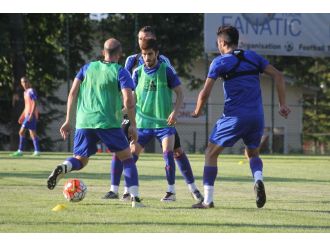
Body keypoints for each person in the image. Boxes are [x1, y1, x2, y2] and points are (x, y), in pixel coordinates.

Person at [191, 25, 291, 209]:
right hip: (256, 117)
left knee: (210, 154)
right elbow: (278, 75)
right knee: (252, 153)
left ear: (222, 42)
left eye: (218, 43)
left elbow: (205, 93)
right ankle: (258, 179)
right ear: (237, 41)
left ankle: (207, 200)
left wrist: (197, 110)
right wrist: (282, 104)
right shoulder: (253, 57)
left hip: (234, 117)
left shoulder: (219, 62)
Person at [103, 26, 203, 202]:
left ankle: (191, 189)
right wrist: (121, 110)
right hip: (137, 116)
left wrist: (174, 111)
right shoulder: (132, 63)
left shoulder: (164, 63)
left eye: (147, 38)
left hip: (163, 117)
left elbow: (173, 87)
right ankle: (119, 189)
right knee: (123, 151)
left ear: (155, 46)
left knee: (176, 152)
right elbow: (125, 89)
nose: (144, 41)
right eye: (141, 38)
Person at [46, 38, 144, 208]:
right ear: (120, 54)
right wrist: (133, 124)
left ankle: (64, 166)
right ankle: (135, 198)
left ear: (102, 52)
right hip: (108, 123)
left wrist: (68, 120)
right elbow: (129, 100)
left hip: (84, 122)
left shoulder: (87, 67)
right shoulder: (120, 71)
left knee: (80, 160)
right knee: (127, 158)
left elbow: (72, 93)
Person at [10, 76, 40, 157]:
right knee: (33, 134)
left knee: (21, 132)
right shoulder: (25, 92)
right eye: (23, 82)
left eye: (26, 81)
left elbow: (34, 103)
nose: (25, 83)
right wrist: (22, 116)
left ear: (29, 82)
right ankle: (37, 151)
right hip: (27, 115)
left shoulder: (31, 91)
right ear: (21, 83)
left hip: (31, 115)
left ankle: (20, 151)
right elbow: (27, 106)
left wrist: (31, 115)